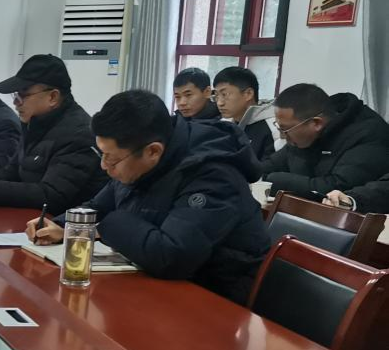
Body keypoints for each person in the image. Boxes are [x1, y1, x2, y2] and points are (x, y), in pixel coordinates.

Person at [26, 90, 270, 304]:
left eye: (111, 158)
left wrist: (100, 228)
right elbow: (98, 206)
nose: (103, 166)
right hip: (156, 289)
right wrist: (62, 225)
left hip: (213, 302)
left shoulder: (213, 175)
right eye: (102, 154)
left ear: (153, 151)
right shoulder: (139, 158)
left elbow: (171, 256)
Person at [0, 54, 106, 213]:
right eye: (16, 95)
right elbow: (10, 174)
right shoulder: (34, 124)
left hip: (64, 225)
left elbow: (51, 196)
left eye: (23, 95)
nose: (16, 102)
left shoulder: (78, 133)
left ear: (52, 97)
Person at [259, 83, 389, 197]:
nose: (282, 136)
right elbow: (265, 168)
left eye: (285, 129)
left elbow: (338, 189)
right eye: (279, 128)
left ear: (316, 123)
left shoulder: (368, 134)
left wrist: (274, 181)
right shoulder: (301, 137)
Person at [213, 66, 280, 160]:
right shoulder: (222, 124)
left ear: (248, 94)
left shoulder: (275, 127)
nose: (219, 103)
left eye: (225, 94)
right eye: (216, 96)